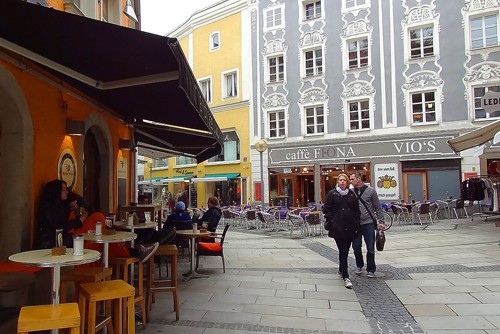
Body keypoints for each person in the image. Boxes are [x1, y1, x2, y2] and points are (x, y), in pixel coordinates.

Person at [67, 192, 158, 263]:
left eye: (76, 206)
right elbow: (72, 230)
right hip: (84, 242)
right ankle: (138, 251)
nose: (75, 208)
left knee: (115, 236)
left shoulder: (81, 215)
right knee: (111, 240)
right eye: (73, 206)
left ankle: (140, 249)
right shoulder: (70, 216)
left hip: (94, 237)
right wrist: (81, 220)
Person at [323, 173, 360, 289]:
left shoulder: (351, 194)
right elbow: (327, 210)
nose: (342, 182)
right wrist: (332, 221)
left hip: (350, 226)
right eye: (340, 180)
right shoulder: (332, 194)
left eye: (344, 180)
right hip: (337, 228)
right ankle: (346, 276)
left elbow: (356, 210)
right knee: (343, 250)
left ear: (347, 182)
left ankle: (341, 269)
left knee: (345, 250)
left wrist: (356, 222)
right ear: (337, 182)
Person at [349, 172, 386, 278]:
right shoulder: (351, 192)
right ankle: (359, 265)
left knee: (370, 247)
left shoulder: (371, 191)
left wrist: (381, 222)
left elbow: (377, 207)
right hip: (355, 224)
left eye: (352, 179)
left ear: (359, 178)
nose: (351, 181)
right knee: (356, 246)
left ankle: (371, 269)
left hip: (368, 223)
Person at [35, 179, 81, 249]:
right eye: (63, 189)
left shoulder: (61, 206)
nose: (66, 192)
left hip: (56, 242)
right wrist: (75, 223)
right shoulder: (48, 208)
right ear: (56, 191)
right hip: (48, 245)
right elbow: (57, 228)